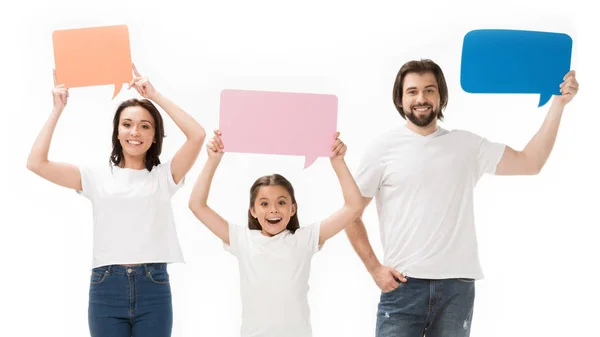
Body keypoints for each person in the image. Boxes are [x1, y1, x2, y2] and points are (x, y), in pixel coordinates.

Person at [344, 59, 579, 337]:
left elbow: (530, 162)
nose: (422, 98)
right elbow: (350, 214)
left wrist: (558, 105)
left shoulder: (467, 145)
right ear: (400, 98)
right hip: (403, 286)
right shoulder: (382, 149)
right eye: (413, 91)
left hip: (457, 288)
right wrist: (374, 269)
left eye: (429, 90)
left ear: (441, 96)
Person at [26, 64, 206, 337]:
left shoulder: (164, 177)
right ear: (117, 131)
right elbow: (36, 163)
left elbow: (197, 135)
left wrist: (155, 95)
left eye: (145, 126)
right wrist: (56, 109)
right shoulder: (94, 177)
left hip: (153, 286)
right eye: (127, 124)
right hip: (106, 286)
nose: (135, 132)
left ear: (154, 136)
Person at [188, 129, 362, 337]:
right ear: (253, 210)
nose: (273, 210)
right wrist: (212, 160)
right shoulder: (242, 239)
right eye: (264, 204)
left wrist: (338, 162)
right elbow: (197, 205)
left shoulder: (305, 239)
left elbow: (353, 207)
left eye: (281, 203)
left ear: (292, 209)